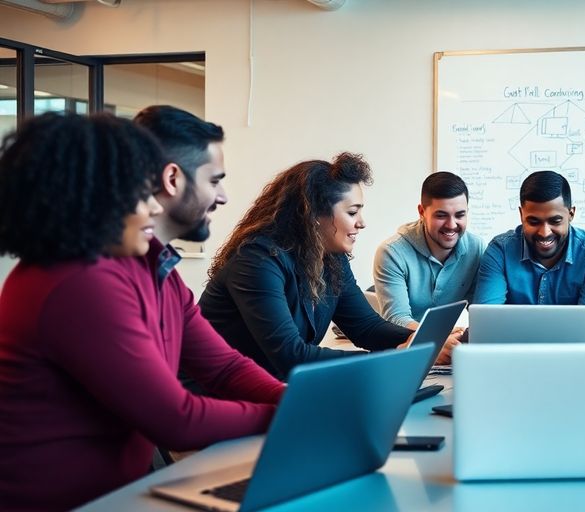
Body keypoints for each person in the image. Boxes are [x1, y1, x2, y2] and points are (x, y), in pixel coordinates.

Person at [0, 113, 284, 511]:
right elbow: (176, 419)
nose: (154, 205)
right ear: (96, 198)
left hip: (119, 497)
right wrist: (291, 415)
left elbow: (223, 368)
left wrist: (292, 400)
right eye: (139, 191)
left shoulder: (156, 267)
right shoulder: (78, 281)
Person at [200, 153, 436, 380]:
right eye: (352, 212)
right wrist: (389, 360)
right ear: (313, 214)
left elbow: (366, 327)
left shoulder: (331, 258)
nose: (361, 223)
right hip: (210, 395)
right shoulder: (258, 261)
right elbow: (290, 354)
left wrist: (421, 340)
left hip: (269, 388)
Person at [474, 171, 585, 334]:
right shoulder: (500, 251)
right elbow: (485, 326)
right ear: (521, 215)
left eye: (555, 221)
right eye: (534, 221)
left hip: (573, 358)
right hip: (516, 357)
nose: (545, 232)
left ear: (571, 214)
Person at [374, 171, 484, 328]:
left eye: (460, 215)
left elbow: (479, 310)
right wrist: (439, 338)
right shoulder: (391, 252)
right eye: (441, 216)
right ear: (422, 212)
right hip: (408, 344)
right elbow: (396, 318)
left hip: (451, 341)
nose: (452, 225)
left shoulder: (477, 248)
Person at [133, 105, 227, 246]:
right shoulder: (109, 267)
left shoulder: (159, 265)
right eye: (213, 181)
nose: (223, 198)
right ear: (172, 180)